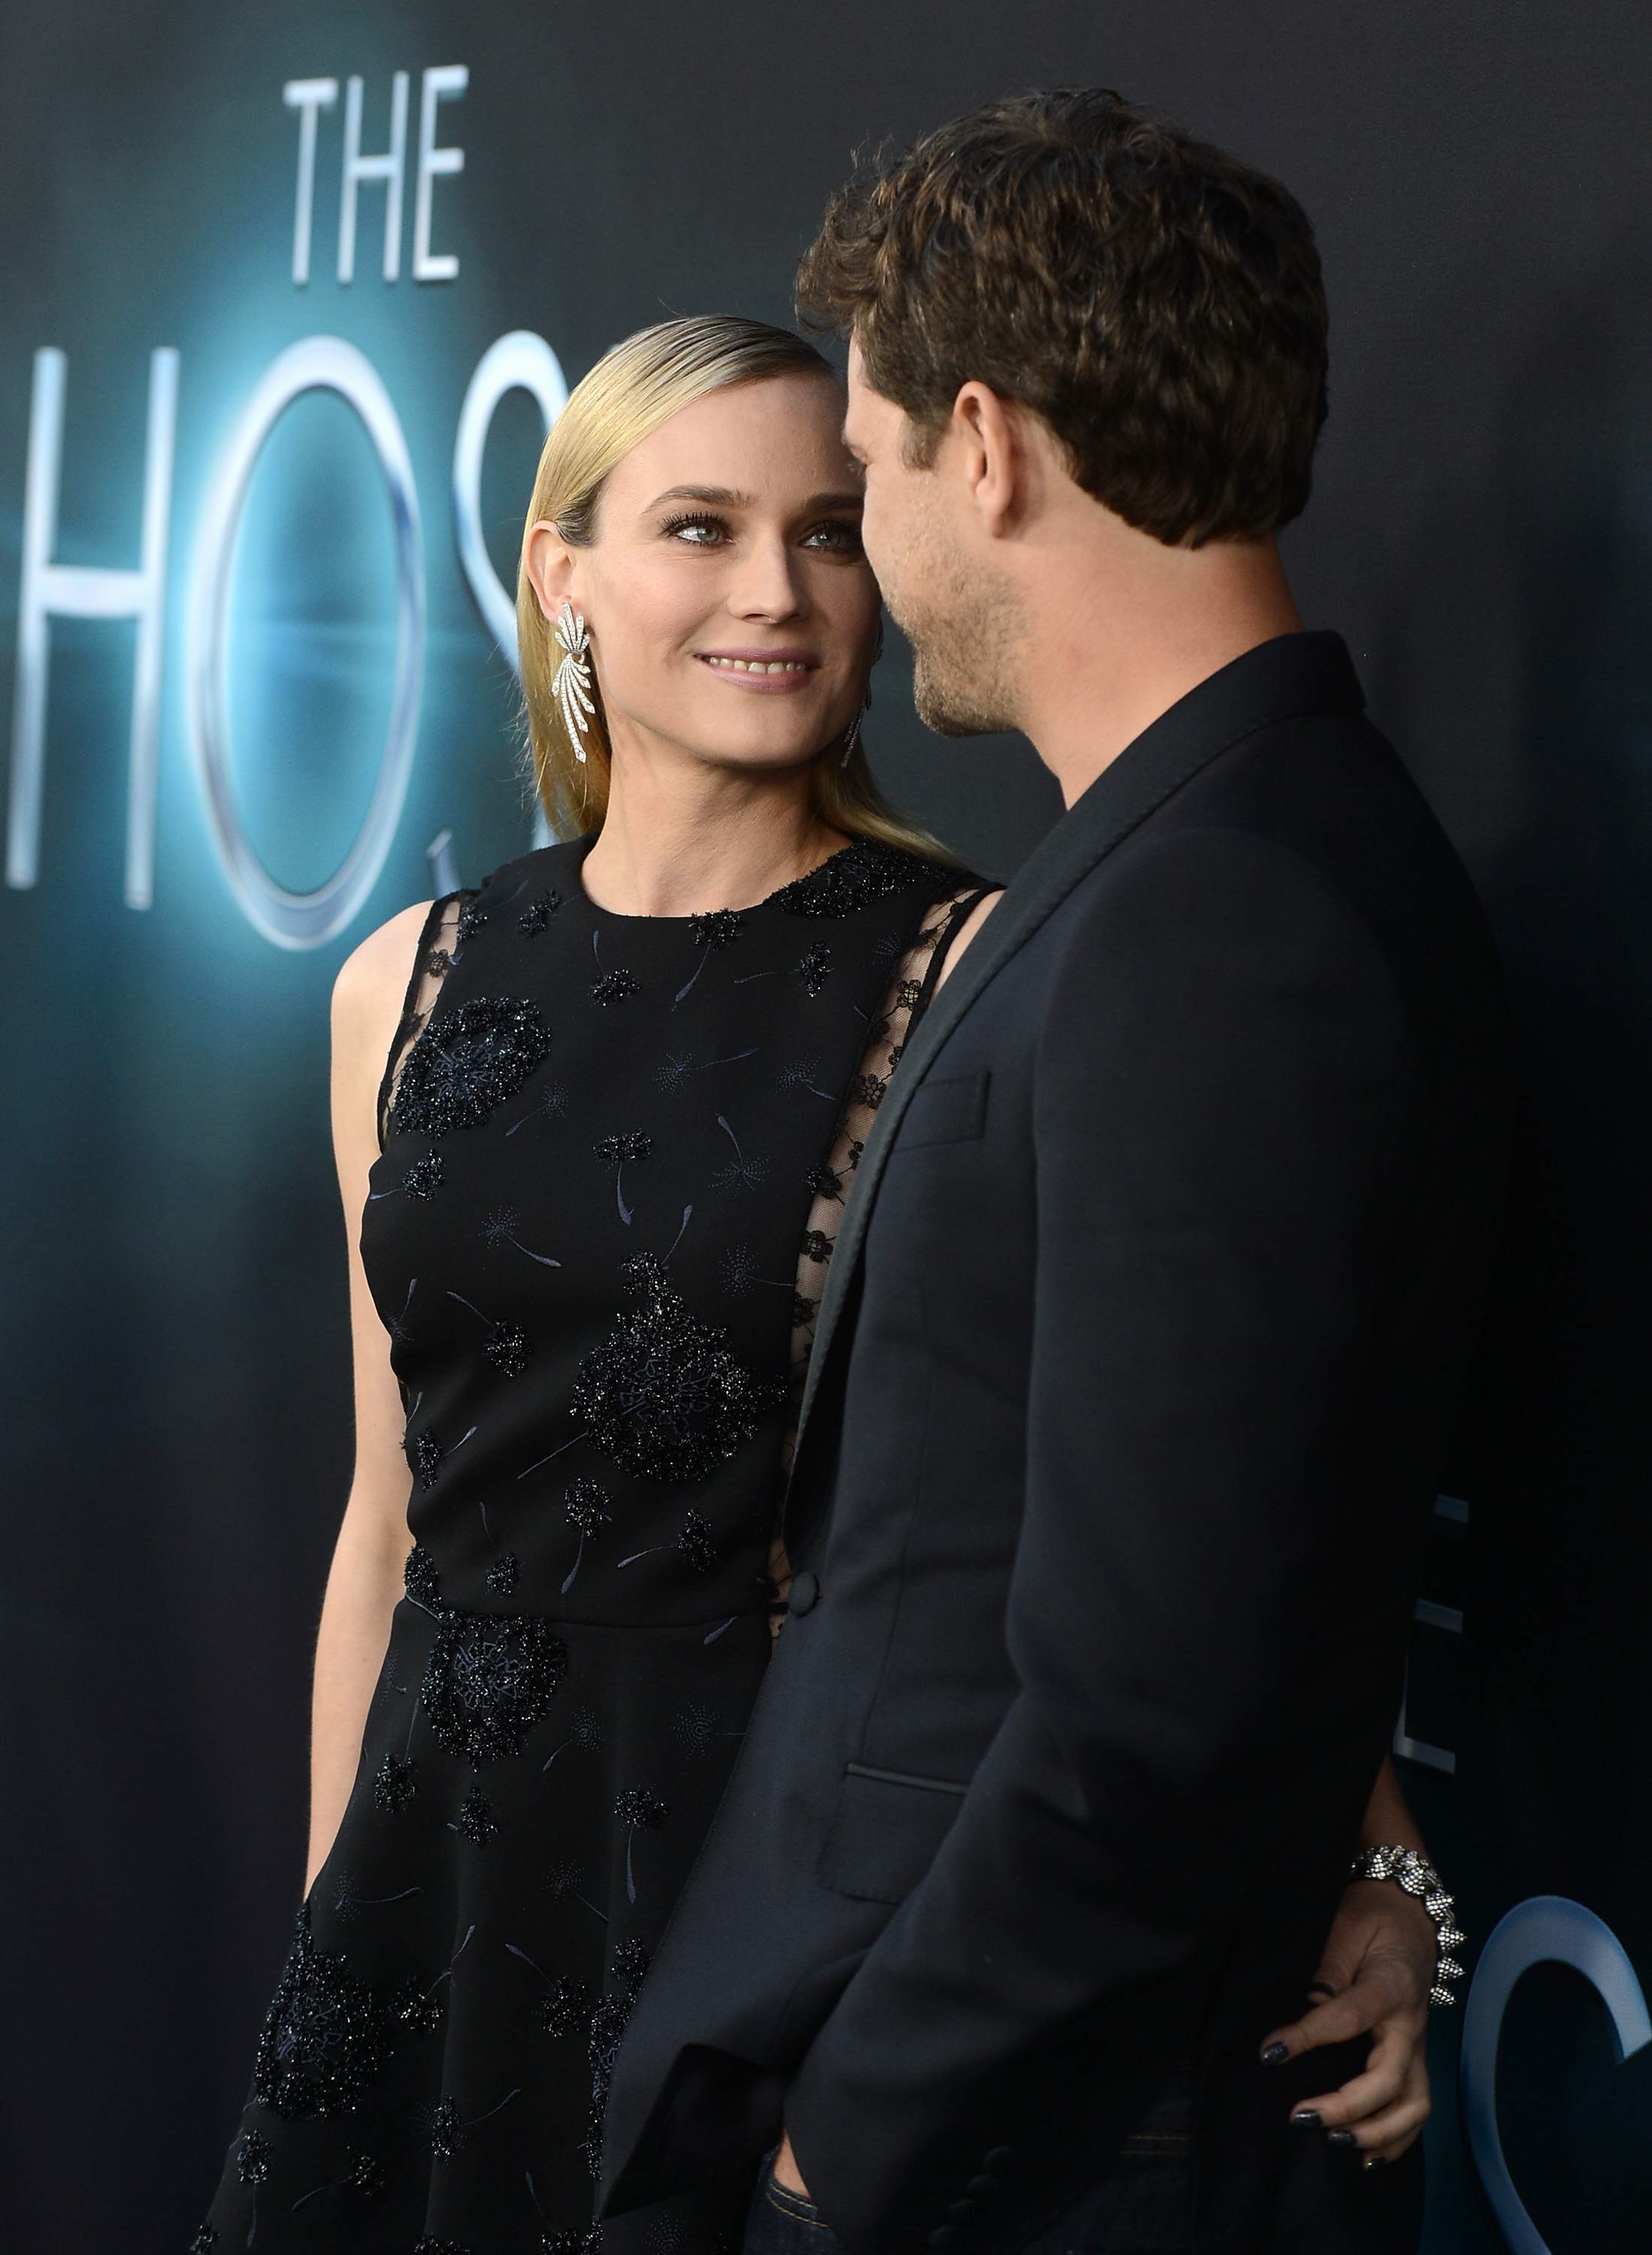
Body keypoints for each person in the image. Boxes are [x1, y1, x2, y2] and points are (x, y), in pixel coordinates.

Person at [196, 309, 1445, 2255]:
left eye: (833, 531)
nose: (776, 590)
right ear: (560, 573)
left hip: (759, 1867)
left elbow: (1164, 1477)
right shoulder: (403, 982)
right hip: (437, 1877)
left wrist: (1381, 1851)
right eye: (700, 527)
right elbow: (387, 1525)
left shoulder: (980, 971)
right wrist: (333, 1941)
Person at [597, 98, 1508, 2255]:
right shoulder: (1233, 853)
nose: (866, 549)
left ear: (987, 449)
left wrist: (844, 2157)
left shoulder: (1223, 914)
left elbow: (1151, 1716)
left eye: (872, 477)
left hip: (1036, 2164)